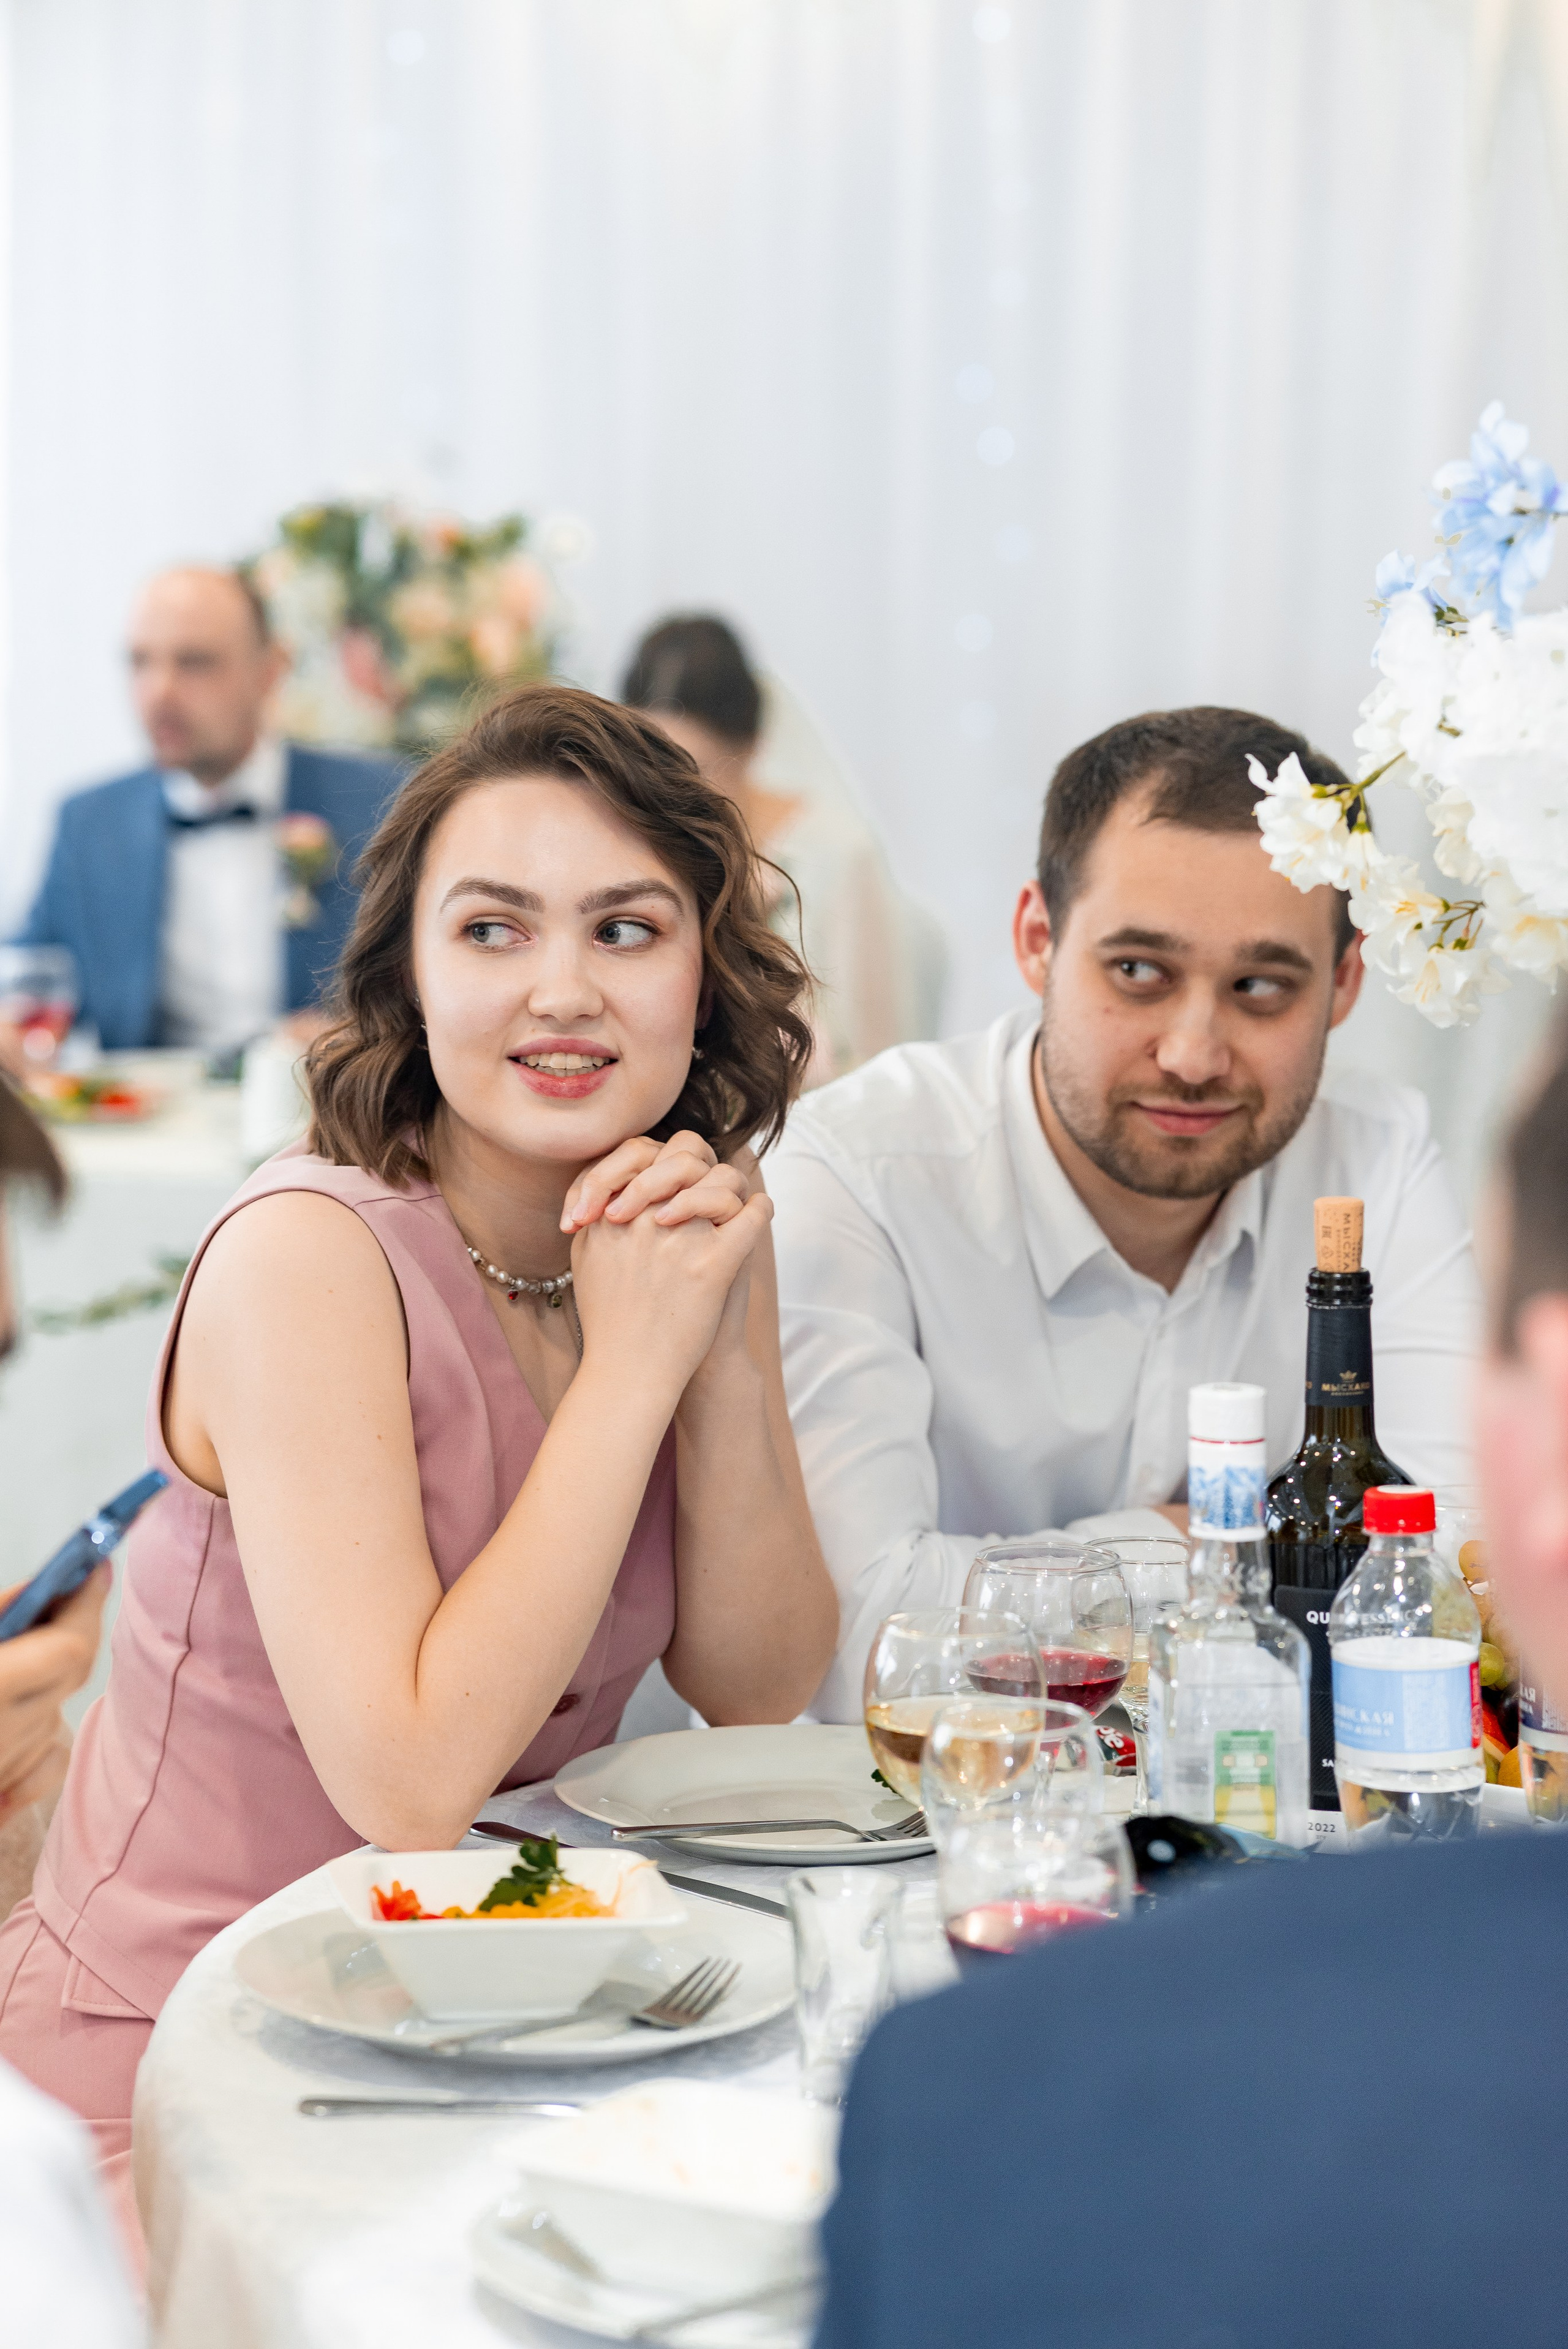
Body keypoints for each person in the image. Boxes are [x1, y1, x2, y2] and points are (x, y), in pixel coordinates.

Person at [0, 684, 837, 2195]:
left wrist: (710, 1343)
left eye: (626, 929)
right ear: (407, 970)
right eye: (493, 929)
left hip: (505, 2019)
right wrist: (632, 1370)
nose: (562, 991)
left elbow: (756, 1680)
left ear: (705, 975)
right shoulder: (307, 1255)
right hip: (190, 2060)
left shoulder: (677, 1223)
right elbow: (409, 1781)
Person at [814, 1008, 1568, 2349]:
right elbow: (853, 1617)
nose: (1193, 1050)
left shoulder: (992, 2103)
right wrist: (1167, 1544)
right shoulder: (870, 1159)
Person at [769, 706, 1479, 1719]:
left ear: (1344, 984)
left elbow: (1449, 1573)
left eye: (1261, 986)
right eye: (1139, 972)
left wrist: (1004, 1582)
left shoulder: (1380, 1158)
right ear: (1037, 941)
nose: (1193, 1054)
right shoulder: (856, 1173)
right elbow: (852, 1645)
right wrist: (1209, 1547)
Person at [13, 566, 399, 1057]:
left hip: (323, 1094)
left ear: (271, 671)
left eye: (195, 662)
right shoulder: (90, 822)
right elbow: (30, 971)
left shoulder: (382, 800)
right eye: (140, 662)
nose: (160, 691)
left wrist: (362, 1030)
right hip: (146, 1103)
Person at [622, 614, 942, 1079]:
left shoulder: (839, 854)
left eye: (697, 768)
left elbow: (881, 1052)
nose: (673, 792)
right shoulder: (634, 845)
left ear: (753, 745)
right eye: (653, 764)